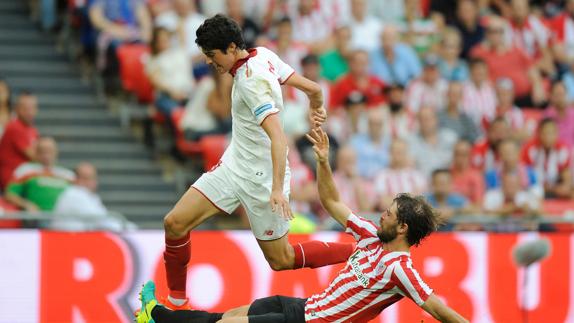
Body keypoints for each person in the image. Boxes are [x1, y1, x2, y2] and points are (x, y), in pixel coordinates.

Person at [136, 127, 469, 323]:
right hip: (305, 307)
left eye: (390, 213)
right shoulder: (370, 236)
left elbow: (437, 307)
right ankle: (157, 317)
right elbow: (333, 203)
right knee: (229, 316)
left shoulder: (401, 269)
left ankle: (156, 317)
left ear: (403, 229)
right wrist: (323, 163)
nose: (382, 214)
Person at [161, 14, 354, 310]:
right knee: (174, 223)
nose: (211, 63)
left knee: (282, 259)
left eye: (212, 56)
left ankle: (357, 251)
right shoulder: (263, 53)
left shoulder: (253, 83)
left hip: (263, 180)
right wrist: (317, 108)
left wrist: (277, 189)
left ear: (229, 48)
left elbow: (278, 138)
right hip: (234, 166)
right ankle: (176, 301)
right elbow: (314, 88)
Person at [52, 162, 130, 232]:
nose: (90, 182)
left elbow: (104, 216)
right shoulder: (75, 194)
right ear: (76, 179)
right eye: (86, 178)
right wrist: (129, 229)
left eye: (93, 178)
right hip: (69, 240)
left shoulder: (90, 196)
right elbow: (101, 221)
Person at [5, 137, 74, 212]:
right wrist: (27, 205)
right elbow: (10, 195)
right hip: (38, 217)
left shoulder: (67, 174)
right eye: (42, 151)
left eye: (49, 151)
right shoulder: (25, 170)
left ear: (56, 152)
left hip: (63, 218)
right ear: (36, 152)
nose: (46, 155)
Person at [0, 91, 39, 190]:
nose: (29, 112)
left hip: (25, 179)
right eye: (25, 109)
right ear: (16, 109)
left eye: (32, 108)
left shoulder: (32, 129)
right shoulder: (15, 127)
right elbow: (36, 157)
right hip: (12, 183)